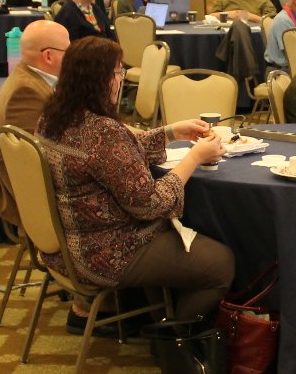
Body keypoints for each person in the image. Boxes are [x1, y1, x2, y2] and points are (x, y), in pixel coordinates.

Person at [35, 36, 233, 324]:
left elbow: (118, 155)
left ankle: (156, 318)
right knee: (221, 264)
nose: (121, 79)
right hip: (106, 253)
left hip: (69, 244)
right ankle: (174, 340)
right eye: (118, 72)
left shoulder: (55, 117)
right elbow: (150, 206)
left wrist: (170, 132)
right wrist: (196, 157)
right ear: (101, 80)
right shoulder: (102, 131)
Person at [0, 20, 71, 226]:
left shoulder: (33, 78)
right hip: (39, 204)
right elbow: (40, 163)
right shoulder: (25, 92)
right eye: (68, 49)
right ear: (49, 56)